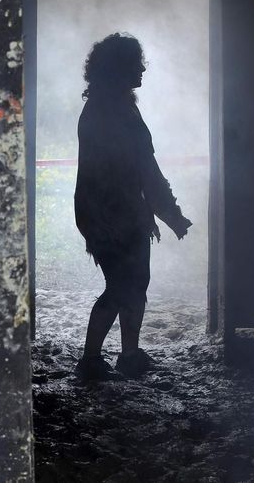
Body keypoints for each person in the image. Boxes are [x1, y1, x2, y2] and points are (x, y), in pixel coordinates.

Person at [74, 33, 192, 381]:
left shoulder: (114, 107)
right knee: (122, 284)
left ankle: (129, 353)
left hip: (117, 210)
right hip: (110, 212)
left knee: (134, 281)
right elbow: (143, 169)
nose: (142, 69)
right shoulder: (111, 113)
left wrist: (161, 211)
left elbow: (142, 169)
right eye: (135, 64)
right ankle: (92, 359)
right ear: (119, 69)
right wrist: (167, 212)